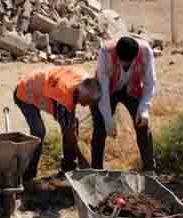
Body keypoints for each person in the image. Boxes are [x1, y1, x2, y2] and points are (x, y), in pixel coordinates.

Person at [12, 67, 100, 183]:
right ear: (80, 93)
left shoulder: (85, 79)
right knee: (39, 132)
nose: (88, 105)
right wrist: (82, 159)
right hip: (25, 92)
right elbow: (68, 132)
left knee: (72, 124)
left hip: (42, 85)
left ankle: (68, 168)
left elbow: (69, 126)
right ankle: (29, 174)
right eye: (87, 101)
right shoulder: (64, 95)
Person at [91, 35, 157, 172]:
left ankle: (149, 169)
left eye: (129, 62)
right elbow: (103, 88)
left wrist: (144, 109)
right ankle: (96, 170)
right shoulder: (105, 53)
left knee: (143, 124)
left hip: (132, 89)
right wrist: (108, 120)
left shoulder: (145, 51)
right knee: (100, 127)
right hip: (108, 91)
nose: (126, 65)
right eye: (123, 61)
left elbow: (150, 82)